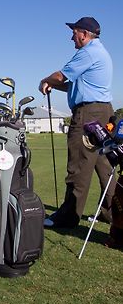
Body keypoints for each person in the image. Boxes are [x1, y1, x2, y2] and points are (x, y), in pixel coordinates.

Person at [39, 17, 115, 228]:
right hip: (103, 111)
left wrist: (45, 80)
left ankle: (68, 218)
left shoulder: (87, 52)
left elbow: (61, 77)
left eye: (74, 31)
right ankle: (113, 214)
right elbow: (74, 85)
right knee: (104, 165)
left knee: (79, 165)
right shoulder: (99, 52)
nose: (71, 35)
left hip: (89, 114)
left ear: (84, 33)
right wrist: (55, 84)